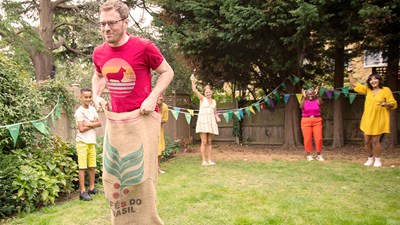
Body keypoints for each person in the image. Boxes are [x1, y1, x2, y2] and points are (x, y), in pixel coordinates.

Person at [92, 1, 173, 224]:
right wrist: (97, 95)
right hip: (116, 123)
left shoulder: (144, 46)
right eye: (102, 24)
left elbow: (167, 72)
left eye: (111, 23)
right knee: (113, 176)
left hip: (143, 120)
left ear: (125, 22)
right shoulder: (99, 52)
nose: (106, 29)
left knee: (140, 178)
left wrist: (152, 97)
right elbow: (98, 75)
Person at [349, 73, 397, 167]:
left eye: (375, 79)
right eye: (371, 79)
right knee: (367, 141)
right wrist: (350, 72)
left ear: (379, 80)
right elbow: (353, 83)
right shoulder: (367, 89)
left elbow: (393, 103)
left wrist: (386, 104)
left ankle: (378, 160)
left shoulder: (386, 90)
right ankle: (370, 159)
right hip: (367, 118)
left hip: (379, 118)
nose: (373, 81)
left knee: (375, 141)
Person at [74, 88, 102, 201]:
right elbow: (81, 129)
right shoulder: (79, 112)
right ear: (81, 97)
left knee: (92, 166)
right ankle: (83, 191)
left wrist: (88, 124)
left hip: (91, 141)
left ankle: (91, 188)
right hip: (82, 142)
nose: (88, 99)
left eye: (90, 97)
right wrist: (93, 123)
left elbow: (99, 123)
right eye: (86, 97)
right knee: (82, 167)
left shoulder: (93, 109)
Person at [191, 76, 220, 166]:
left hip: (211, 122)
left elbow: (215, 112)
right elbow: (194, 90)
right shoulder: (202, 99)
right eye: (206, 92)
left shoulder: (214, 102)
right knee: (204, 142)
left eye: (209, 91)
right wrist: (192, 82)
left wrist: (217, 117)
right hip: (203, 121)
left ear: (212, 92)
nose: (208, 93)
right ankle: (204, 161)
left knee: (209, 142)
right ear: (204, 93)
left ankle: (210, 160)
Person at [299, 87, 324, 161]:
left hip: (317, 120)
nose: (310, 96)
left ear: (314, 94)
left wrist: (317, 94)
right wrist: (303, 97)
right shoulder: (304, 101)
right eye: (308, 94)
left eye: (312, 94)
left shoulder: (316, 100)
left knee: (318, 138)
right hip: (306, 120)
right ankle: (309, 155)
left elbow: (321, 103)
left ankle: (319, 155)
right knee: (307, 138)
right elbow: (301, 106)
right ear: (306, 95)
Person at [157, 94, 169, 174]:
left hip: (159, 130)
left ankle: (158, 167)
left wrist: (158, 121)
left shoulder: (165, 106)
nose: (160, 98)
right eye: (159, 96)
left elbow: (165, 119)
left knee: (160, 149)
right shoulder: (152, 105)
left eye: (161, 97)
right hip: (150, 130)